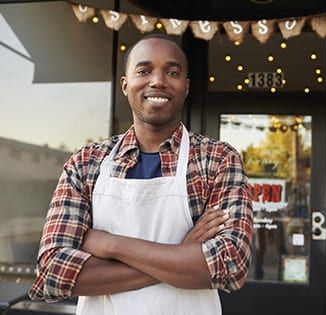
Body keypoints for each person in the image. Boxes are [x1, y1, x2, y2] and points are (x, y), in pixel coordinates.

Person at [28, 34, 253, 315]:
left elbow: (230, 266)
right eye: (144, 71)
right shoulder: (86, 162)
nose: (158, 81)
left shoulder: (217, 159)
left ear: (186, 87)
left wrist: (110, 244)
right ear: (125, 85)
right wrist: (182, 251)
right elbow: (53, 272)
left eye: (172, 72)